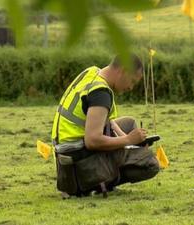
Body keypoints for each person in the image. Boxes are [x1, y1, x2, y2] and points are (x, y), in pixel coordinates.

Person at [51, 54, 160, 198]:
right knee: (150, 163)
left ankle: (104, 176)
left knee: (129, 123)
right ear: (122, 71)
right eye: (132, 81)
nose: (131, 87)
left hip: (65, 159)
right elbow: (93, 141)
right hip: (79, 164)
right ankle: (99, 184)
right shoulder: (101, 94)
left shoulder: (92, 73)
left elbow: (108, 121)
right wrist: (128, 141)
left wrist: (126, 136)